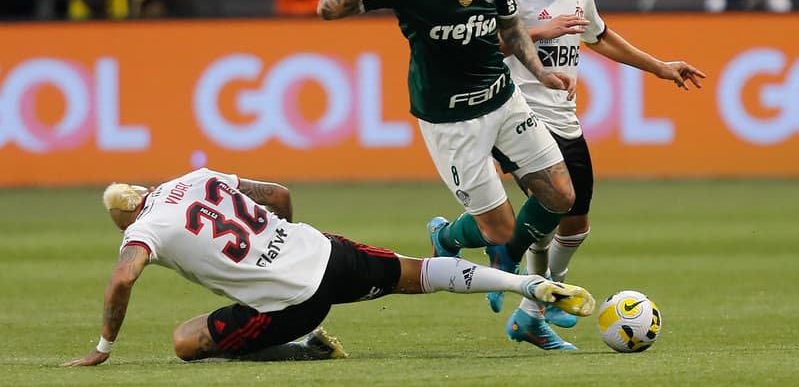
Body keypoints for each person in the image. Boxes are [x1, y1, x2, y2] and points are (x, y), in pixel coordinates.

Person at [317, 0, 583, 347]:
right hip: (451, 123)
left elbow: (510, 24)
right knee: (498, 230)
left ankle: (492, 251)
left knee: (562, 195)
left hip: (503, 99)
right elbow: (329, 8)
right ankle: (446, 234)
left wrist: (539, 71)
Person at [61, 167, 595, 366]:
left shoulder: (140, 231)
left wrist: (104, 347)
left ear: (124, 215)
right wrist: (286, 238)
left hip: (293, 302)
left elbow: (123, 278)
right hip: (323, 251)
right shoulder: (197, 178)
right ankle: (528, 281)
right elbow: (278, 192)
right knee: (420, 273)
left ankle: (306, 347)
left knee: (185, 341)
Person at [483, 0, 706, 350]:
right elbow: (481, 51)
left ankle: (539, 304)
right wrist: (540, 32)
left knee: (575, 225)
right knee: (547, 212)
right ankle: (531, 294)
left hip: (565, 121)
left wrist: (660, 67)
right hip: (519, 118)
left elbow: (598, 36)